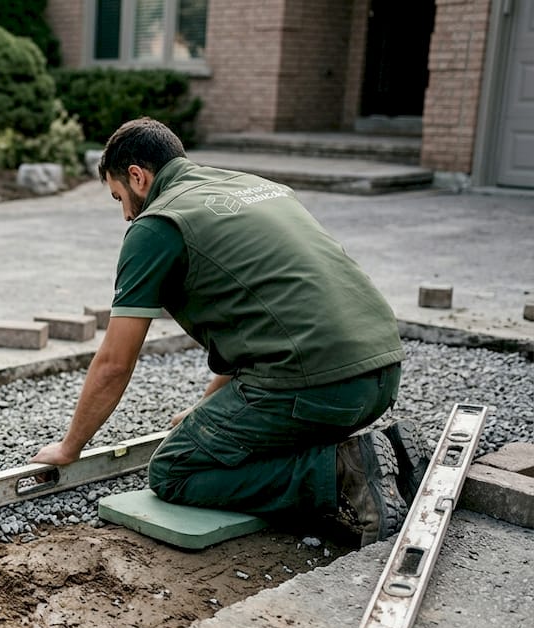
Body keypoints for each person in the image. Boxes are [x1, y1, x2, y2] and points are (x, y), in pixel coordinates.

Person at [32, 117, 428, 547]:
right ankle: (391, 454)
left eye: (119, 198)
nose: (126, 213)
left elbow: (114, 363)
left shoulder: (157, 226)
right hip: (382, 374)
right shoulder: (253, 186)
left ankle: (343, 473)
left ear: (137, 177)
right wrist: (209, 412)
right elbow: (263, 314)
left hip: (321, 389)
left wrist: (70, 447)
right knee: (230, 440)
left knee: (175, 470)